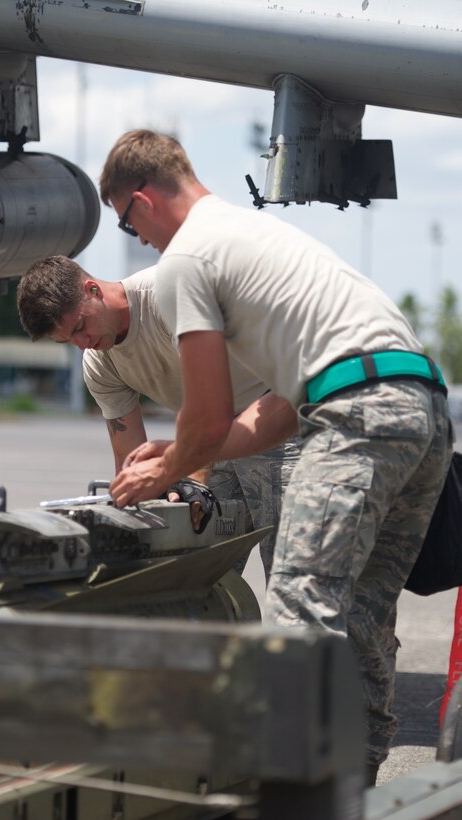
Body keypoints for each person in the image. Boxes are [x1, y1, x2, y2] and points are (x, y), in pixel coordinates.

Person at [98, 128, 453, 784]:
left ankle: (295, 796)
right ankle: (355, 785)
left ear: (140, 200)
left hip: (358, 413)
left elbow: (204, 416)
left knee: (299, 603)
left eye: (124, 221)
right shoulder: (255, 237)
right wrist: (182, 451)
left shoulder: (184, 261)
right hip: (420, 408)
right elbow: (277, 411)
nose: (135, 239)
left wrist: (166, 471)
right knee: (361, 617)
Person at [16, 256, 300, 574]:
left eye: (80, 327)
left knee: (293, 575)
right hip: (208, 438)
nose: (83, 345)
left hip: (277, 416)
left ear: (92, 289)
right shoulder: (99, 363)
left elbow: (210, 408)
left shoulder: (167, 299)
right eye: (68, 340)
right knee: (188, 571)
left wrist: (190, 479)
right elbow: (131, 458)